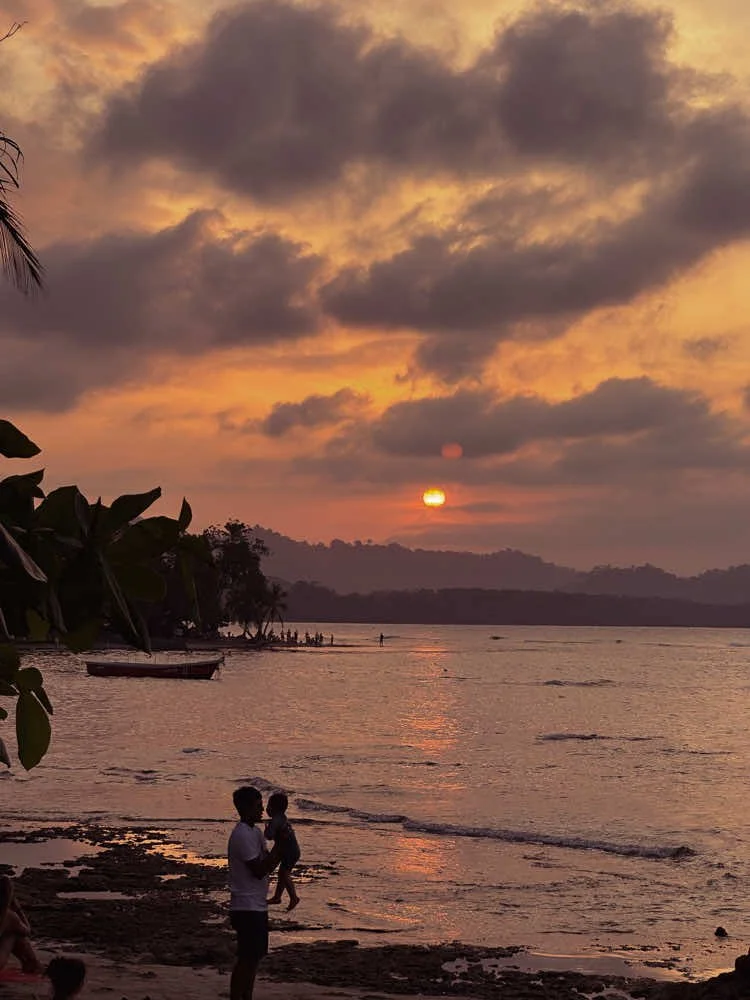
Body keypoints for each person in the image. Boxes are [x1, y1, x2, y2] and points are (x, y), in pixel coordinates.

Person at [228, 786, 281, 1000]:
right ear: (246, 807)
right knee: (247, 959)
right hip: (246, 906)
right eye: (258, 805)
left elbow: (267, 863)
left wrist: (278, 850)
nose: (261, 810)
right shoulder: (241, 834)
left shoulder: (255, 832)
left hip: (256, 904)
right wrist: (281, 847)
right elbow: (259, 870)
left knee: (254, 958)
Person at [264, 792, 301, 912]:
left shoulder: (276, 820)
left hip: (290, 851)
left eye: (268, 806)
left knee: (284, 874)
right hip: (288, 850)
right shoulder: (282, 818)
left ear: (274, 808)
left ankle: (293, 897)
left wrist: (266, 830)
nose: (266, 809)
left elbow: (269, 836)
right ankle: (277, 897)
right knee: (281, 873)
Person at [0, 875, 41, 975]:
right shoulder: (8, 916)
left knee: (11, 931)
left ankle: (32, 965)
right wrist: (18, 909)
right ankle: (32, 965)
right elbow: (27, 931)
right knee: (14, 934)